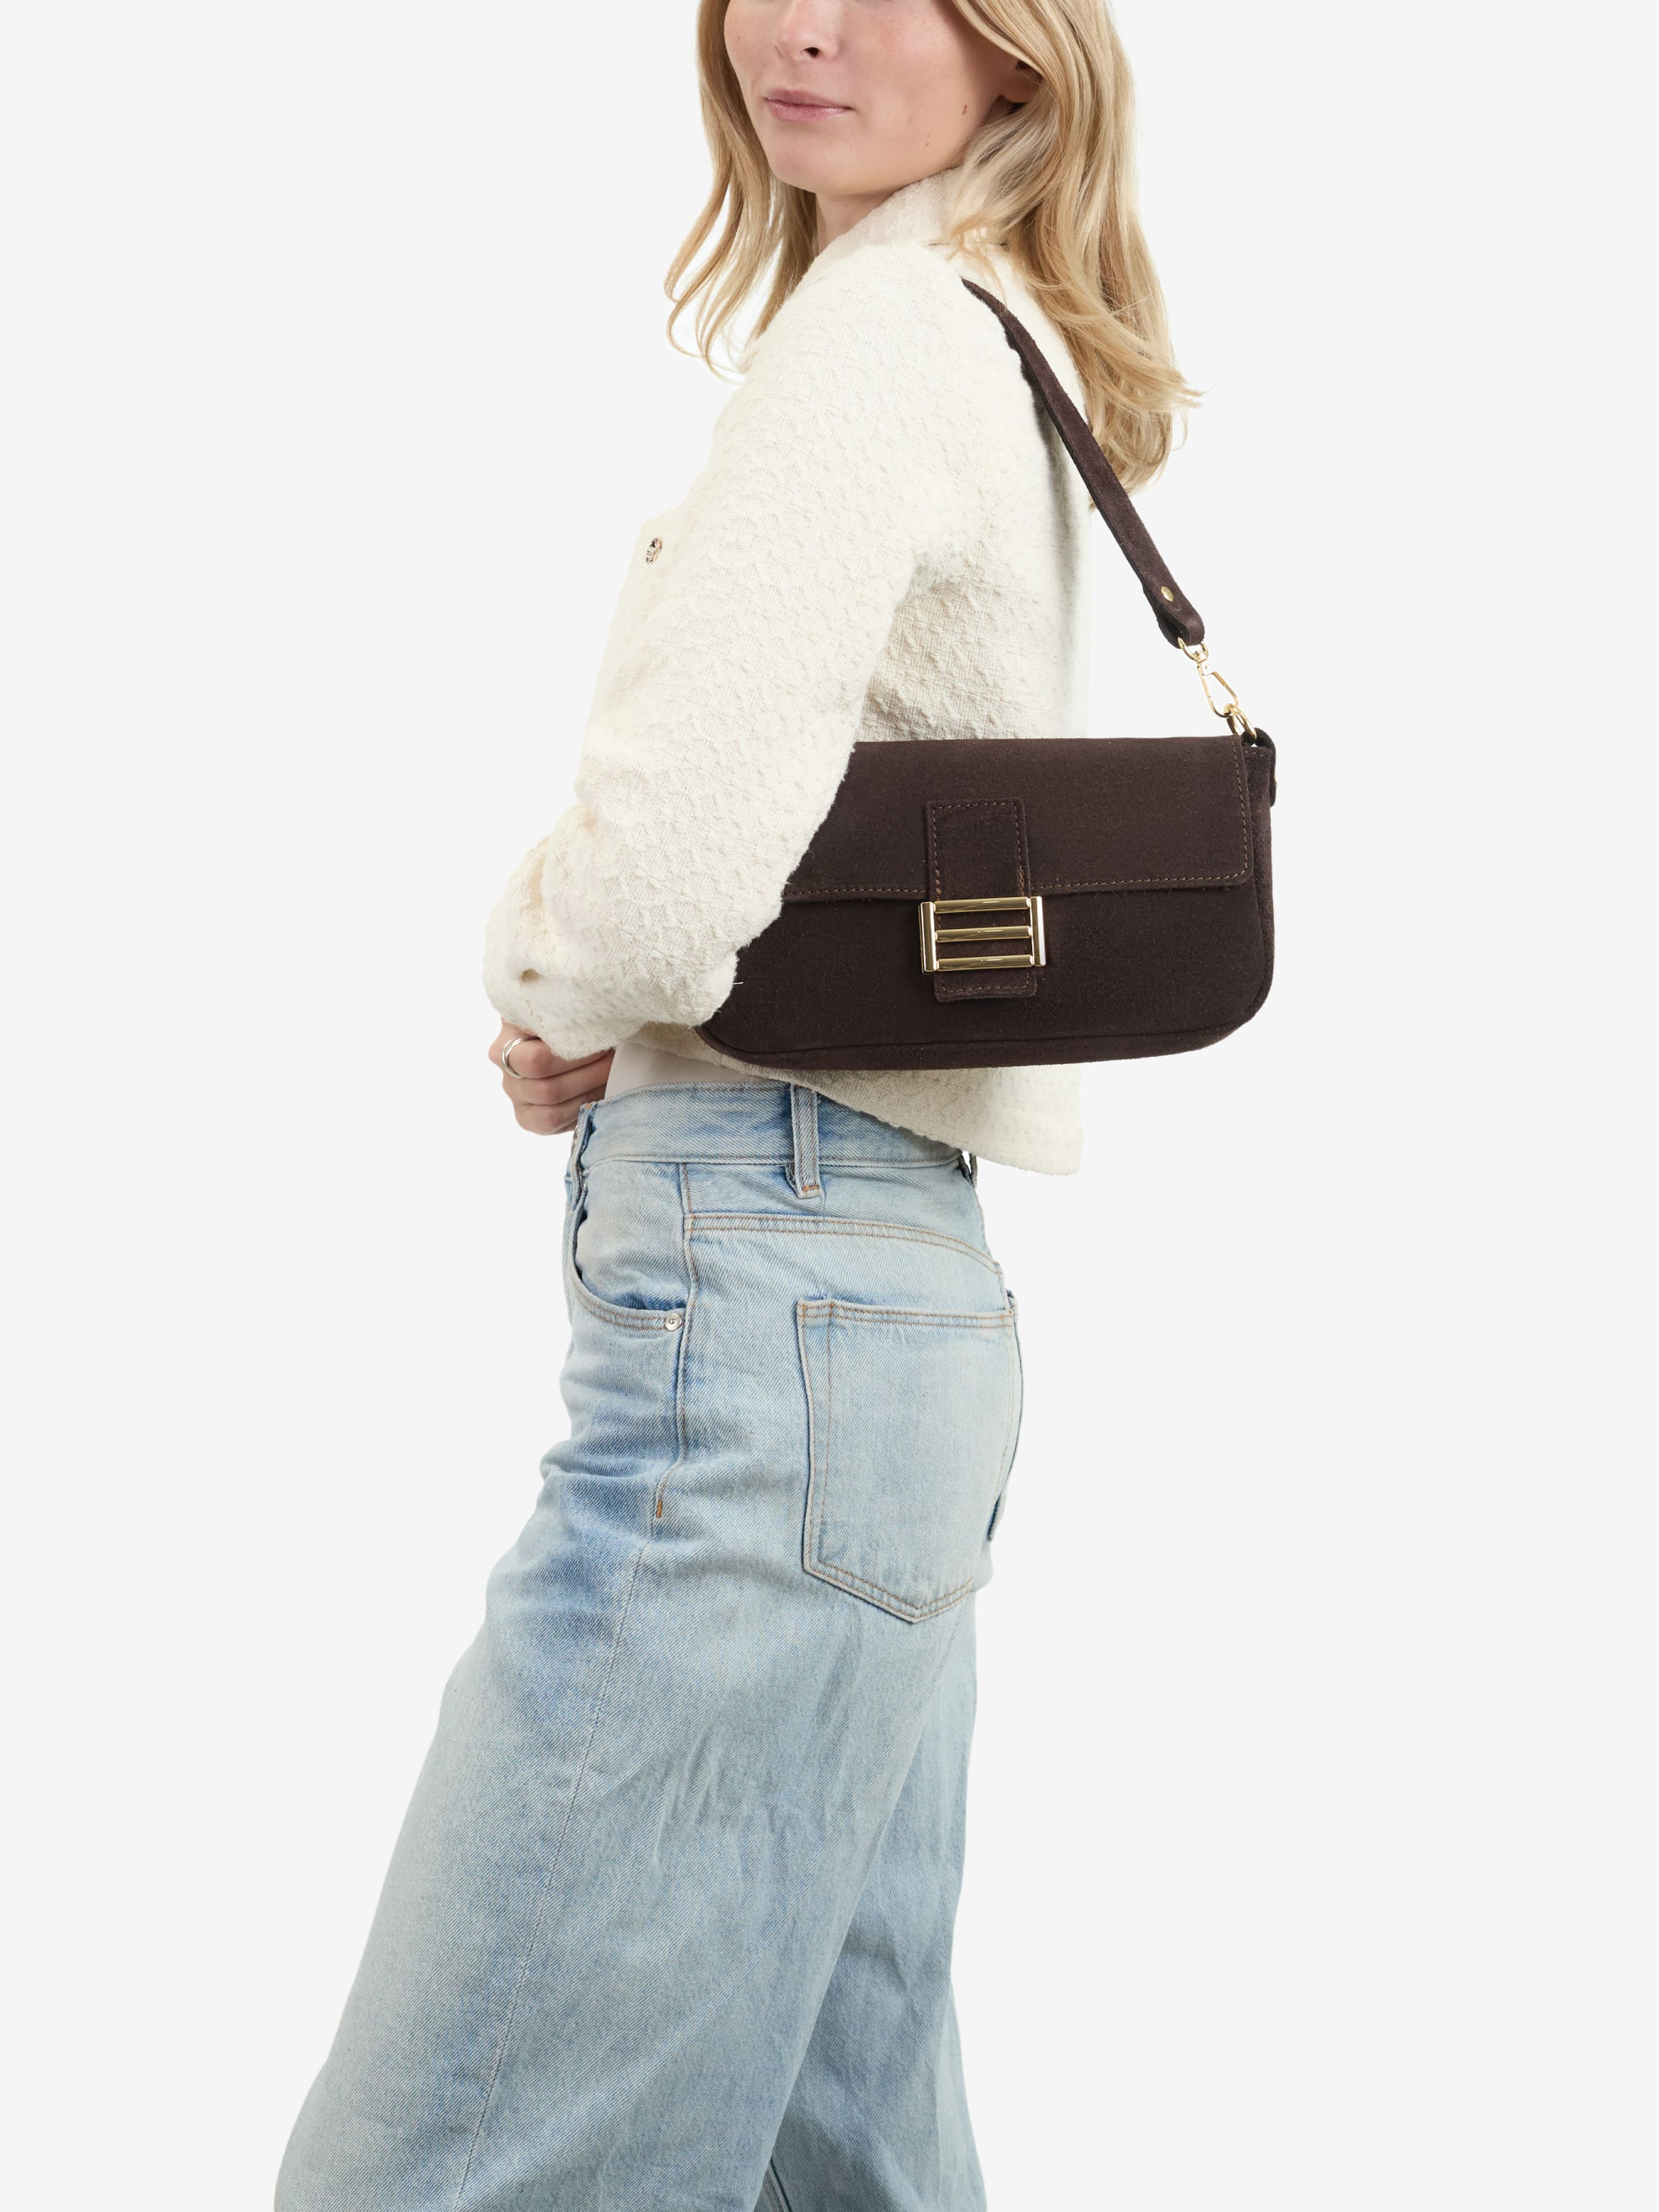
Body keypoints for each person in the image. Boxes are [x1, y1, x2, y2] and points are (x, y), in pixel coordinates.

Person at [276, 3, 1194, 2204]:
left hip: (766, 1295)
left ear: (1021, 54)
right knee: (836, 2151)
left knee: (453, 2154)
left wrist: (543, 966)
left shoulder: (876, 340)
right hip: (901, 1310)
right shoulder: (1001, 342)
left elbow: (668, 878)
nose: (799, 25)